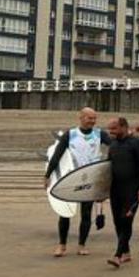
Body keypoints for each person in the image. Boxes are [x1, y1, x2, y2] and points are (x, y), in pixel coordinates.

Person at [45, 107, 110, 257]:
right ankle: (62, 245)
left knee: (86, 213)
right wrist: (48, 175)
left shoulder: (100, 134)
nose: (92, 121)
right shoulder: (70, 134)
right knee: (65, 212)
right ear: (81, 118)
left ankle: (82, 245)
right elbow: (57, 155)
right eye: (89, 118)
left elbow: (115, 147)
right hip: (72, 176)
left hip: (92, 177)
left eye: (94, 118)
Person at [104, 117, 139, 268]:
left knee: (126, 220)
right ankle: (126, 252)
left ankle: (118, 255)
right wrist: (101, 190)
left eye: (114, 129)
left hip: (133, 188)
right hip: (116, 188)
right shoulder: (113, 145)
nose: (111, 132)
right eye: (109, 129)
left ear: (124, 127)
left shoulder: (138, 144)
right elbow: (106, 168)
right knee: (117, 221)